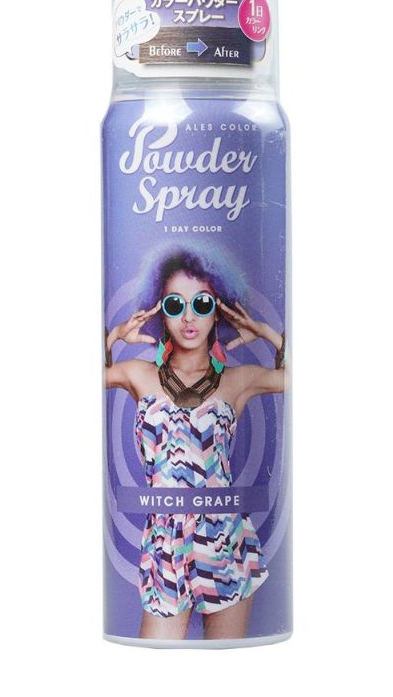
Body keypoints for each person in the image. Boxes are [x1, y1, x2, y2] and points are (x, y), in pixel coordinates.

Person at [105, 242, 286, 640]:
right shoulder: (137, 374)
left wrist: (268, 334)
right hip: (164, 544)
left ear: (218, 309)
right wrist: (114, 336)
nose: (189, 317)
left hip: (225, 540)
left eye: (202, 304)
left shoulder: (238, 380)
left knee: (228, 664)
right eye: (175, 305)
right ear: (160, 311)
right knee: (155, 659)